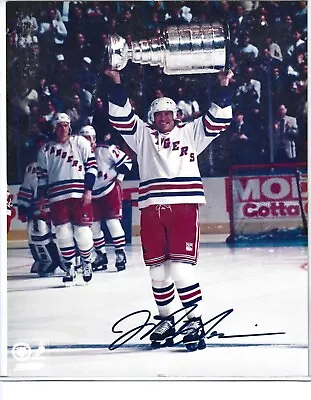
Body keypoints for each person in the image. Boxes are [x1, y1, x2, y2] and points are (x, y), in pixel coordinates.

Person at [105, 67, 233, 351]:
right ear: (152, 118)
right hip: (151, 208)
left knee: (180, 268)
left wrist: (223, 85)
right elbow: (120, 116)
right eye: (158, 115)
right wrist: (116, 81)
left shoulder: (191, 133)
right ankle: (166, 319)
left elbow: (218, 118)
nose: (163, 119)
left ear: (176, 115)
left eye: (167, 114)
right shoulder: (142, 136)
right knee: (158, 273)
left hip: (183, 208)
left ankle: (194, 320)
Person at [37, 113, 98, 284]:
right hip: (57, 197)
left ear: (69, 126)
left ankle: (87, 262)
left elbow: (92, 167)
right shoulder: (46, 150)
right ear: (54, 128)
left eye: (65, 125)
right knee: (63, 234)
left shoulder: (80, 142)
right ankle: (70, 266)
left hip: (79, 195)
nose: (62, 128)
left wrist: (88, 191)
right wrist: (42, 197)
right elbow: (42, 177)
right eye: (59, 125)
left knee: (83, 233)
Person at [78, 125, 132, 272]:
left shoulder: (105, 150)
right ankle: (101, 255)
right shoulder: (77, 156)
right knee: (94, 227)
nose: (86, 142)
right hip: (91, 195)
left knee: (112, 222)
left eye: (88, 138)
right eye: (83, 139)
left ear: (94, 139)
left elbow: (127, 162)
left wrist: (119, 178)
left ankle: (120, 254)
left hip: (109, 190)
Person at [17, 135, 64, 277]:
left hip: (59, 207)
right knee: (36, 231)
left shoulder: (60, 163)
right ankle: (46, 261)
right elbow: (26, 189)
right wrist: (23, 208)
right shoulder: (31, 169)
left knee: (63, 232)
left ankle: (69, 260)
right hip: (40, 210)